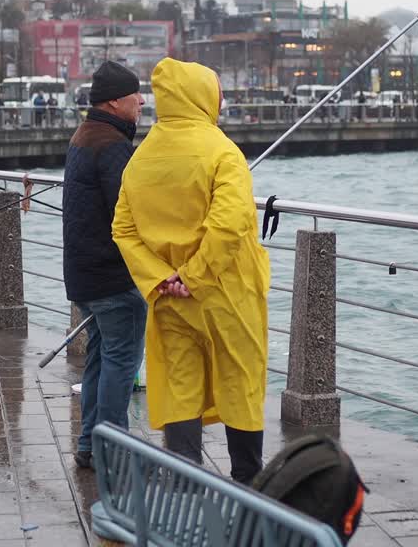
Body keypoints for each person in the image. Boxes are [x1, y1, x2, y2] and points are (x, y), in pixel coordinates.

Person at [112, 57, 269, 485]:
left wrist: (162, 278)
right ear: (202, 96)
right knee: (241, 382)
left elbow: (122, 228)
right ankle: (247, 484)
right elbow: (231, 223)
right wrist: (195, 276)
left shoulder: (140, 159)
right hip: (227, 292)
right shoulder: (223, 152)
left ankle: (185, 481)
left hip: (168, 299)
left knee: (180, 385)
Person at [63, 61, 147, 470]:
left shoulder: (85, 135)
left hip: (83, 276)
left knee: (100, 357)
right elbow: (126, 213)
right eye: (136, 94)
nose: (142, 100)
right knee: (121, 362)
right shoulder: (112, 145)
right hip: (112, 277)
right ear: (116, 100)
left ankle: (90, 446)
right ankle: (113, 450)